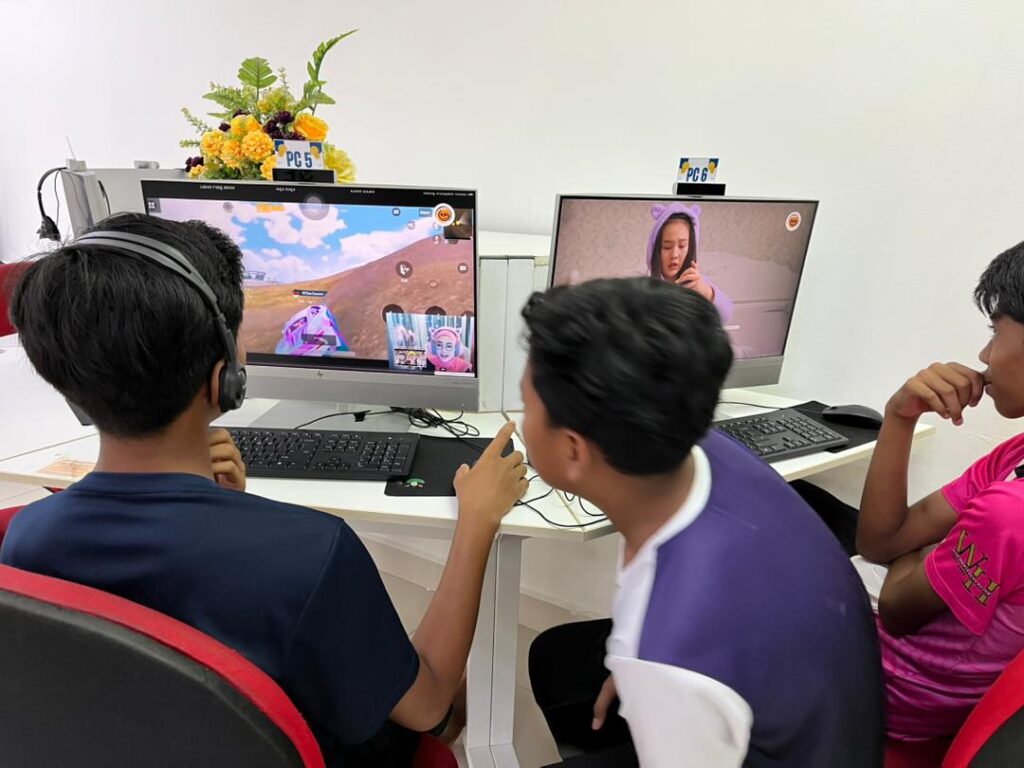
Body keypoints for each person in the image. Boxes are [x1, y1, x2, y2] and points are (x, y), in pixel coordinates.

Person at [0, 212, 528, 767]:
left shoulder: (26, 539)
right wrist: (477, 522)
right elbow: (428, 704)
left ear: (69, 387)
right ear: (224, 378)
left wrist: (230, 508)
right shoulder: (310, 555)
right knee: (450, 711)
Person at [519, 278, 882, 767]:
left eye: (527, 407)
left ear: (572, 449)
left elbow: (674, 657)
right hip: (821, 718)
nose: (522, 423)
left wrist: (657, 685)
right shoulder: (710, 449)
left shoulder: (669, 645)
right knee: (558, 658)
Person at [840, 239, 1024, 743]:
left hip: (890, 696)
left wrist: (929, 550)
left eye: (995, 332)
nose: (984, 356)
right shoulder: (1018, 453)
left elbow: (897, 611)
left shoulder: (1010, 513)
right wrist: (900, 414)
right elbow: (881, 542)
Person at [646, 202, 733, 323]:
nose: (674, 254)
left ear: (690, 247)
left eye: (682, 246)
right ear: (656, 249)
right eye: (667, 247)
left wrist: (706, 292)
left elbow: (726, 315)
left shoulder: (698, 284)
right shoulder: (645, 288)